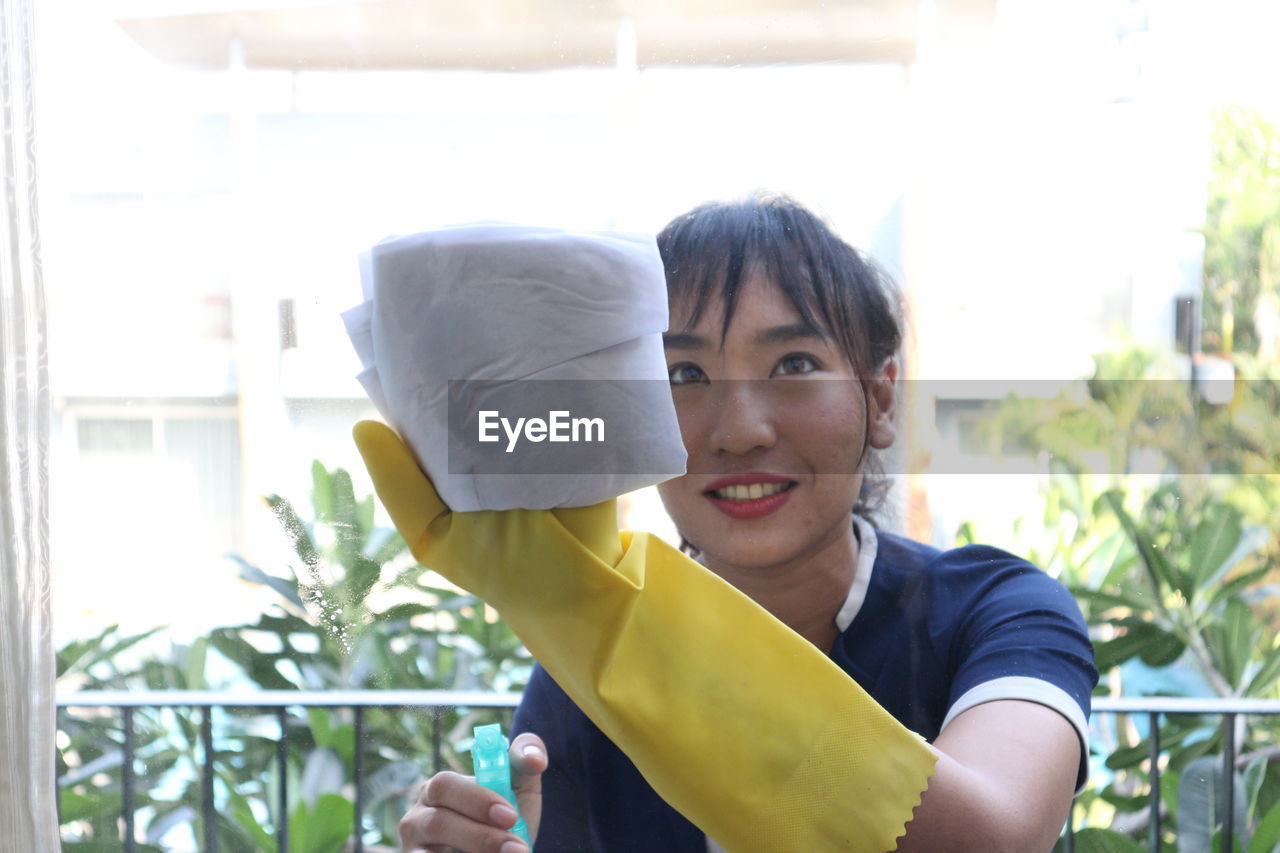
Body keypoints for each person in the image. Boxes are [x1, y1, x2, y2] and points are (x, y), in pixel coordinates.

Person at [388, 193, 1098, 853]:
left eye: (794, 363)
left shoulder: (996, 611)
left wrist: (625, 641)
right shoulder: (580, 676)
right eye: (683, 376)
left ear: (881, 400)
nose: (740, 431)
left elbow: (994, 835)